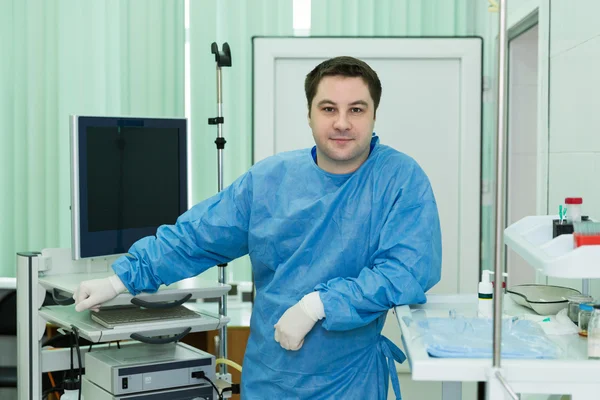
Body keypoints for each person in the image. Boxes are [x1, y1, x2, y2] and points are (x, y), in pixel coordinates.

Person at [73, 56, 442, 399]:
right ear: (310, 115)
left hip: (347, 380)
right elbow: (198, 236)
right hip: (272, 376)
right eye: (328, 108)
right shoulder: (271, 180)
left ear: (374, 115)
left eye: (356, 110)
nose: (342, 122)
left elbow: (408, 269)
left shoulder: (399, 180)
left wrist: (319, 305)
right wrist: (119, 280)